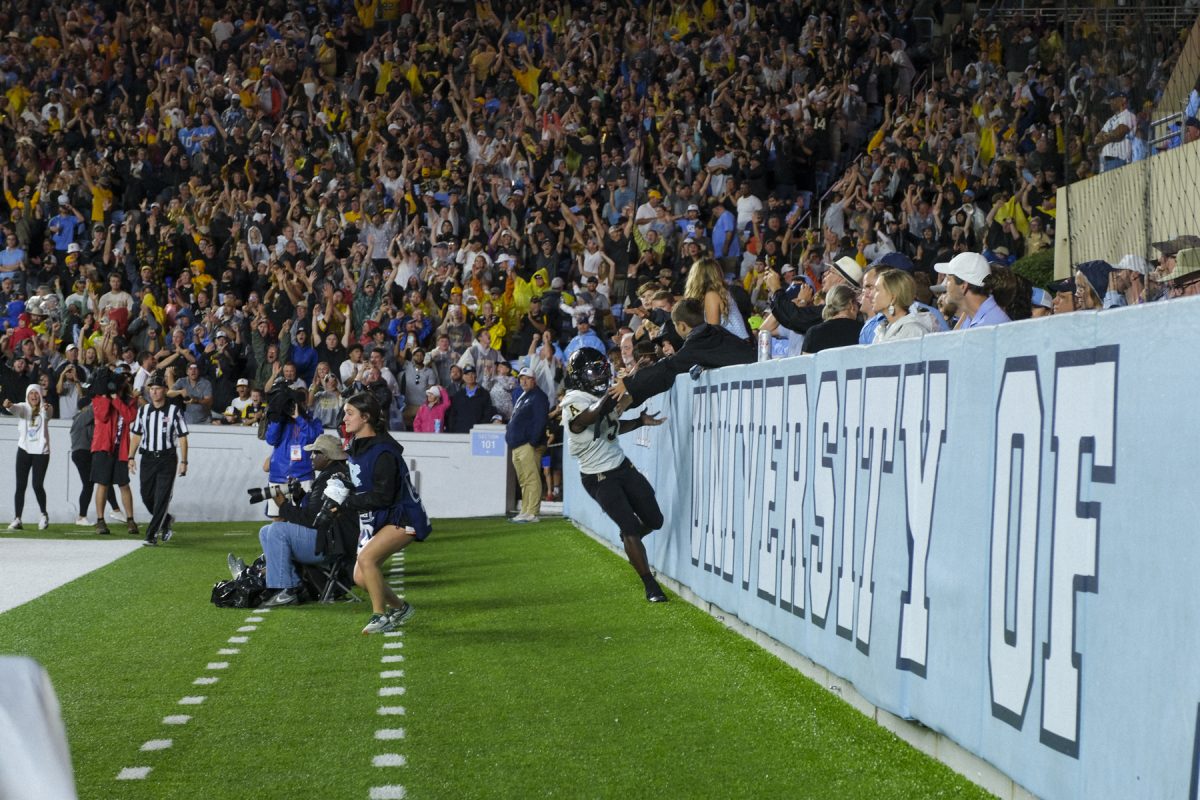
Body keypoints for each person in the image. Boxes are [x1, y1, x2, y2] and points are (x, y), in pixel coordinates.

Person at [561, 348, 670, 603]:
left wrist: (639, 422)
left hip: (621, 466)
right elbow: (592, 415)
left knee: (655, 520)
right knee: (629, 526)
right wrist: (629, 380)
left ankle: (630, 539)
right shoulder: (573, 402)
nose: (600, 376)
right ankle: (650, 585)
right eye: (593, 371)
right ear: (579, 376)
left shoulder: (597, 398)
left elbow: (610, 427)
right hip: (597, 476)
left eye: (602, 369)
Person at [323, 393, 430, 634]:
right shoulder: (357, 447)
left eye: (350, 413)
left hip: (402, 516)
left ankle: (379, 615)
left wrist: (347, 503)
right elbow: (362, 484)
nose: (345, 418)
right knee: (361, 577)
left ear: (366, 417)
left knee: (367, 559)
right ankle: (400, 608)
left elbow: (384, 496)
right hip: (382, 515)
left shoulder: (383, 451)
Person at [255, 434, 358, 607]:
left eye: (315, 453)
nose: (311, 457)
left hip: (330, 546)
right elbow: (316, 513)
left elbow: (311, 520)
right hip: (333, 540)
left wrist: (283, 506)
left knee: (276, 530)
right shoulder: (334, 473)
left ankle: (285, 589)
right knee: (266, 531)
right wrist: (300, 495)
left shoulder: (330, 478)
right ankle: (293, 585)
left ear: (326, 456)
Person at [612, 298, 756, 406]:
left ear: (681, 326)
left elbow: (666, 367)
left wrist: (629, 383)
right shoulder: (717, 331)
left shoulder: (696, 345)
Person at [128, 373, 189, 546]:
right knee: (146, 495)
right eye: (151, 389)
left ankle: (151, 535)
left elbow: (183, 437)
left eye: (157, 389)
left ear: (164, 390)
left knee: (162, 496)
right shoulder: (144, 411)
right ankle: (166, 520)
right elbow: (137, 435)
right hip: (147, 458)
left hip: (167, 458)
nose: (154, 392)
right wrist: (130, 457)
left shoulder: (173, 411)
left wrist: (184, 462)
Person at [89, 368, 139, 536]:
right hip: (103, 447)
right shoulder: (98, 398)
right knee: (103, 483)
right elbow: (103, 416)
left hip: (120, 448)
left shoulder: (130, 401)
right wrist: (105, 396)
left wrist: (116, 399)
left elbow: (130, 417)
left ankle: (131, 520)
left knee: (123, 483)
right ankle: (100, 520)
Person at [263, 382, 324, 516]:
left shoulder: (314, 421)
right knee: (277, 518)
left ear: (305, 401)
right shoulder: (281, 420)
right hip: (278, 476)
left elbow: (314, 438)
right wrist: (277, 417)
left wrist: (299, 418)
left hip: (303, 477)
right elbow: (271, 439)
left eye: (300, 400)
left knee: (302, 518)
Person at [5, 384, 52, 530]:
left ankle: (44, 514)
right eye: (31, 393)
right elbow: (15, 409)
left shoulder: (47, 407)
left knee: (37, 485)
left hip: (41, 452)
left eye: (36, 393)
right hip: (24, 450)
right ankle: (17, 518)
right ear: (27, 395)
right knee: (20, 485)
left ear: (40, 395)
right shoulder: (24, 407)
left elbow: (47, 414)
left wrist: (45, 410)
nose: (34, 396)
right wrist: (9, 405)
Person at [506, 367, 550, 523]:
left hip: (527, 444)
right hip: (517, 444)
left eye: (527, 378)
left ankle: (532, 512)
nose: (523, 381)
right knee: (524, 480)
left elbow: (540, 420)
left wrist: (532, 441)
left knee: (531, 478)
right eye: (521, 378)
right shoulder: (523, 396)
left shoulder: (538, 397)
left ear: (534, 380)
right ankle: (525, 510)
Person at [683, 257, 750, 341]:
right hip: (735, 344)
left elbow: (713, 334)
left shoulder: (712, 295)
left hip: (736, 347)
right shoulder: (717, 293)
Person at [939, 252, 1011, 329]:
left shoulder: (993, 325)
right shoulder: (971, 317)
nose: (945, 284)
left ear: (963, 286)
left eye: (949, 279)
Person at [873, 270, 940, 341]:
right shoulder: (882, 330)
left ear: (893, 298)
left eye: (877, 290)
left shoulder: (913, 332)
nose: (872, 295)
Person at [802, 285, 863, 354]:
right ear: (851, 304)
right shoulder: (863, 331)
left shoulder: (813, 333)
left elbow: (805, 363)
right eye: (857, 303)